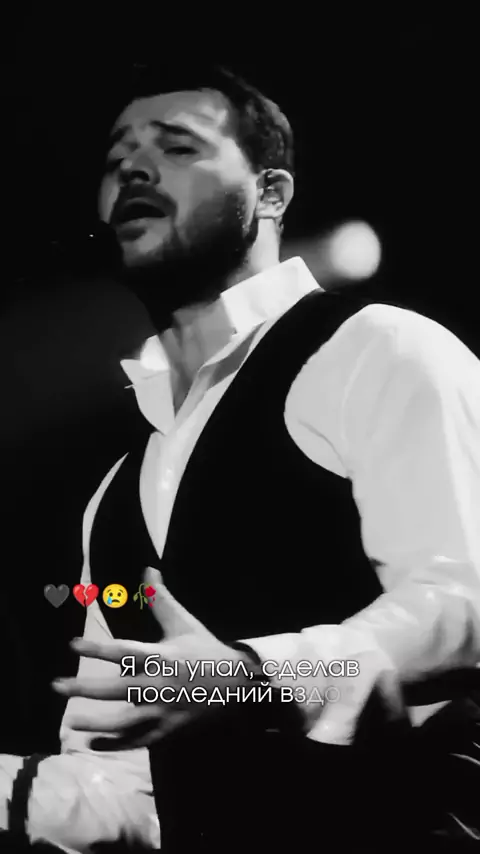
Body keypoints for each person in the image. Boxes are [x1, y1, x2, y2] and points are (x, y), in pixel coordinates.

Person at [2, 63, 480, 853]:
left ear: (271, 193)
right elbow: (128, 791)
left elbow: (464, 607)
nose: (133, 169)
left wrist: (249, 676)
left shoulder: (380, 352)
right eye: (117, 156)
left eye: (177, 146)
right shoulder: (114, 499)